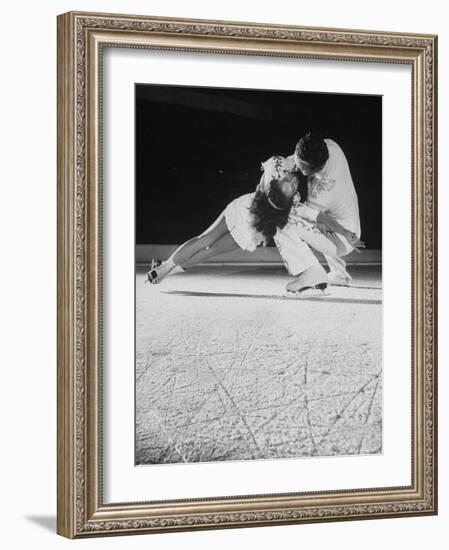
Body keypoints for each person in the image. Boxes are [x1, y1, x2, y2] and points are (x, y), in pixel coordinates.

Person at [145, 156, 299, 284]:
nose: (294, 182)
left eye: (292, 184)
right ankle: (165, 270)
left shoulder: (277, 165)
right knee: (207, 246)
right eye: (291, 182)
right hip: (250, 219)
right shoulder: (294, 197)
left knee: (205, 244)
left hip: (249, 216)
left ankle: (164, 270)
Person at [274, 132, 364, 293]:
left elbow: (305, 214)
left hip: (343, 240)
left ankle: (311, 273)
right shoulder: (331, 146)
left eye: (304, 170)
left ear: (318, 168)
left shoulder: (322, 191)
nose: (299, 171)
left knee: (280, 220)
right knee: (328, 217)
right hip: (349, 224)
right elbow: (296, 161)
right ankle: (339, 275)